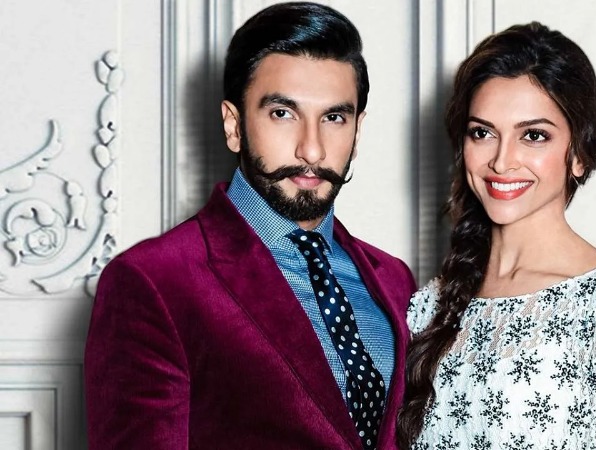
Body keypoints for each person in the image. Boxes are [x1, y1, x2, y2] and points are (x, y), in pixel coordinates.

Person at [84, 3, 416, 449]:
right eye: (283, 113)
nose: (312, 150)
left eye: (334, 118)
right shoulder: (152, 281)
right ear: (234, 125)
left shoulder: (394, 279)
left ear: (357, 131)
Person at [397, 21, 596, 450]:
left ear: (579, 154)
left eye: (533, 136)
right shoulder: (428, 306)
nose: (502, 161)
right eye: (483, 133)